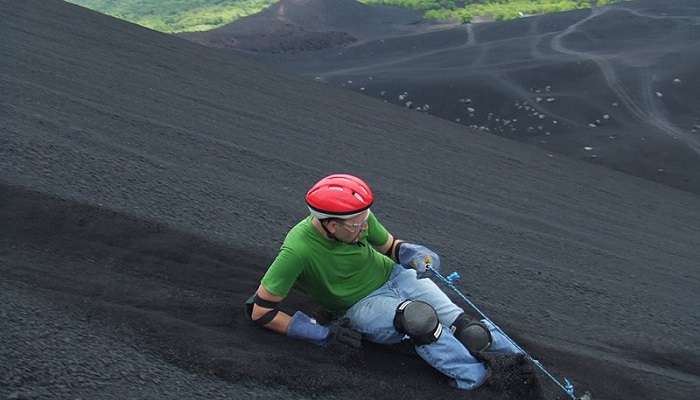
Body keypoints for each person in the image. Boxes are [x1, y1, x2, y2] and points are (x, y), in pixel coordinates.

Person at [246, 174, 526, 390]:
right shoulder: (297, 251)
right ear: (331, 225)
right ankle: (475, 383)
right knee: (418, 320)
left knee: (471, 332)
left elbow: (390, 246)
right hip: (360, 304)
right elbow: (261, 311)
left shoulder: (356, 220)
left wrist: (413, 253)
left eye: (365, 219)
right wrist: (322, 334)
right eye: (357, 225)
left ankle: (523, 365)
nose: (365, 227)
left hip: (396, 277)